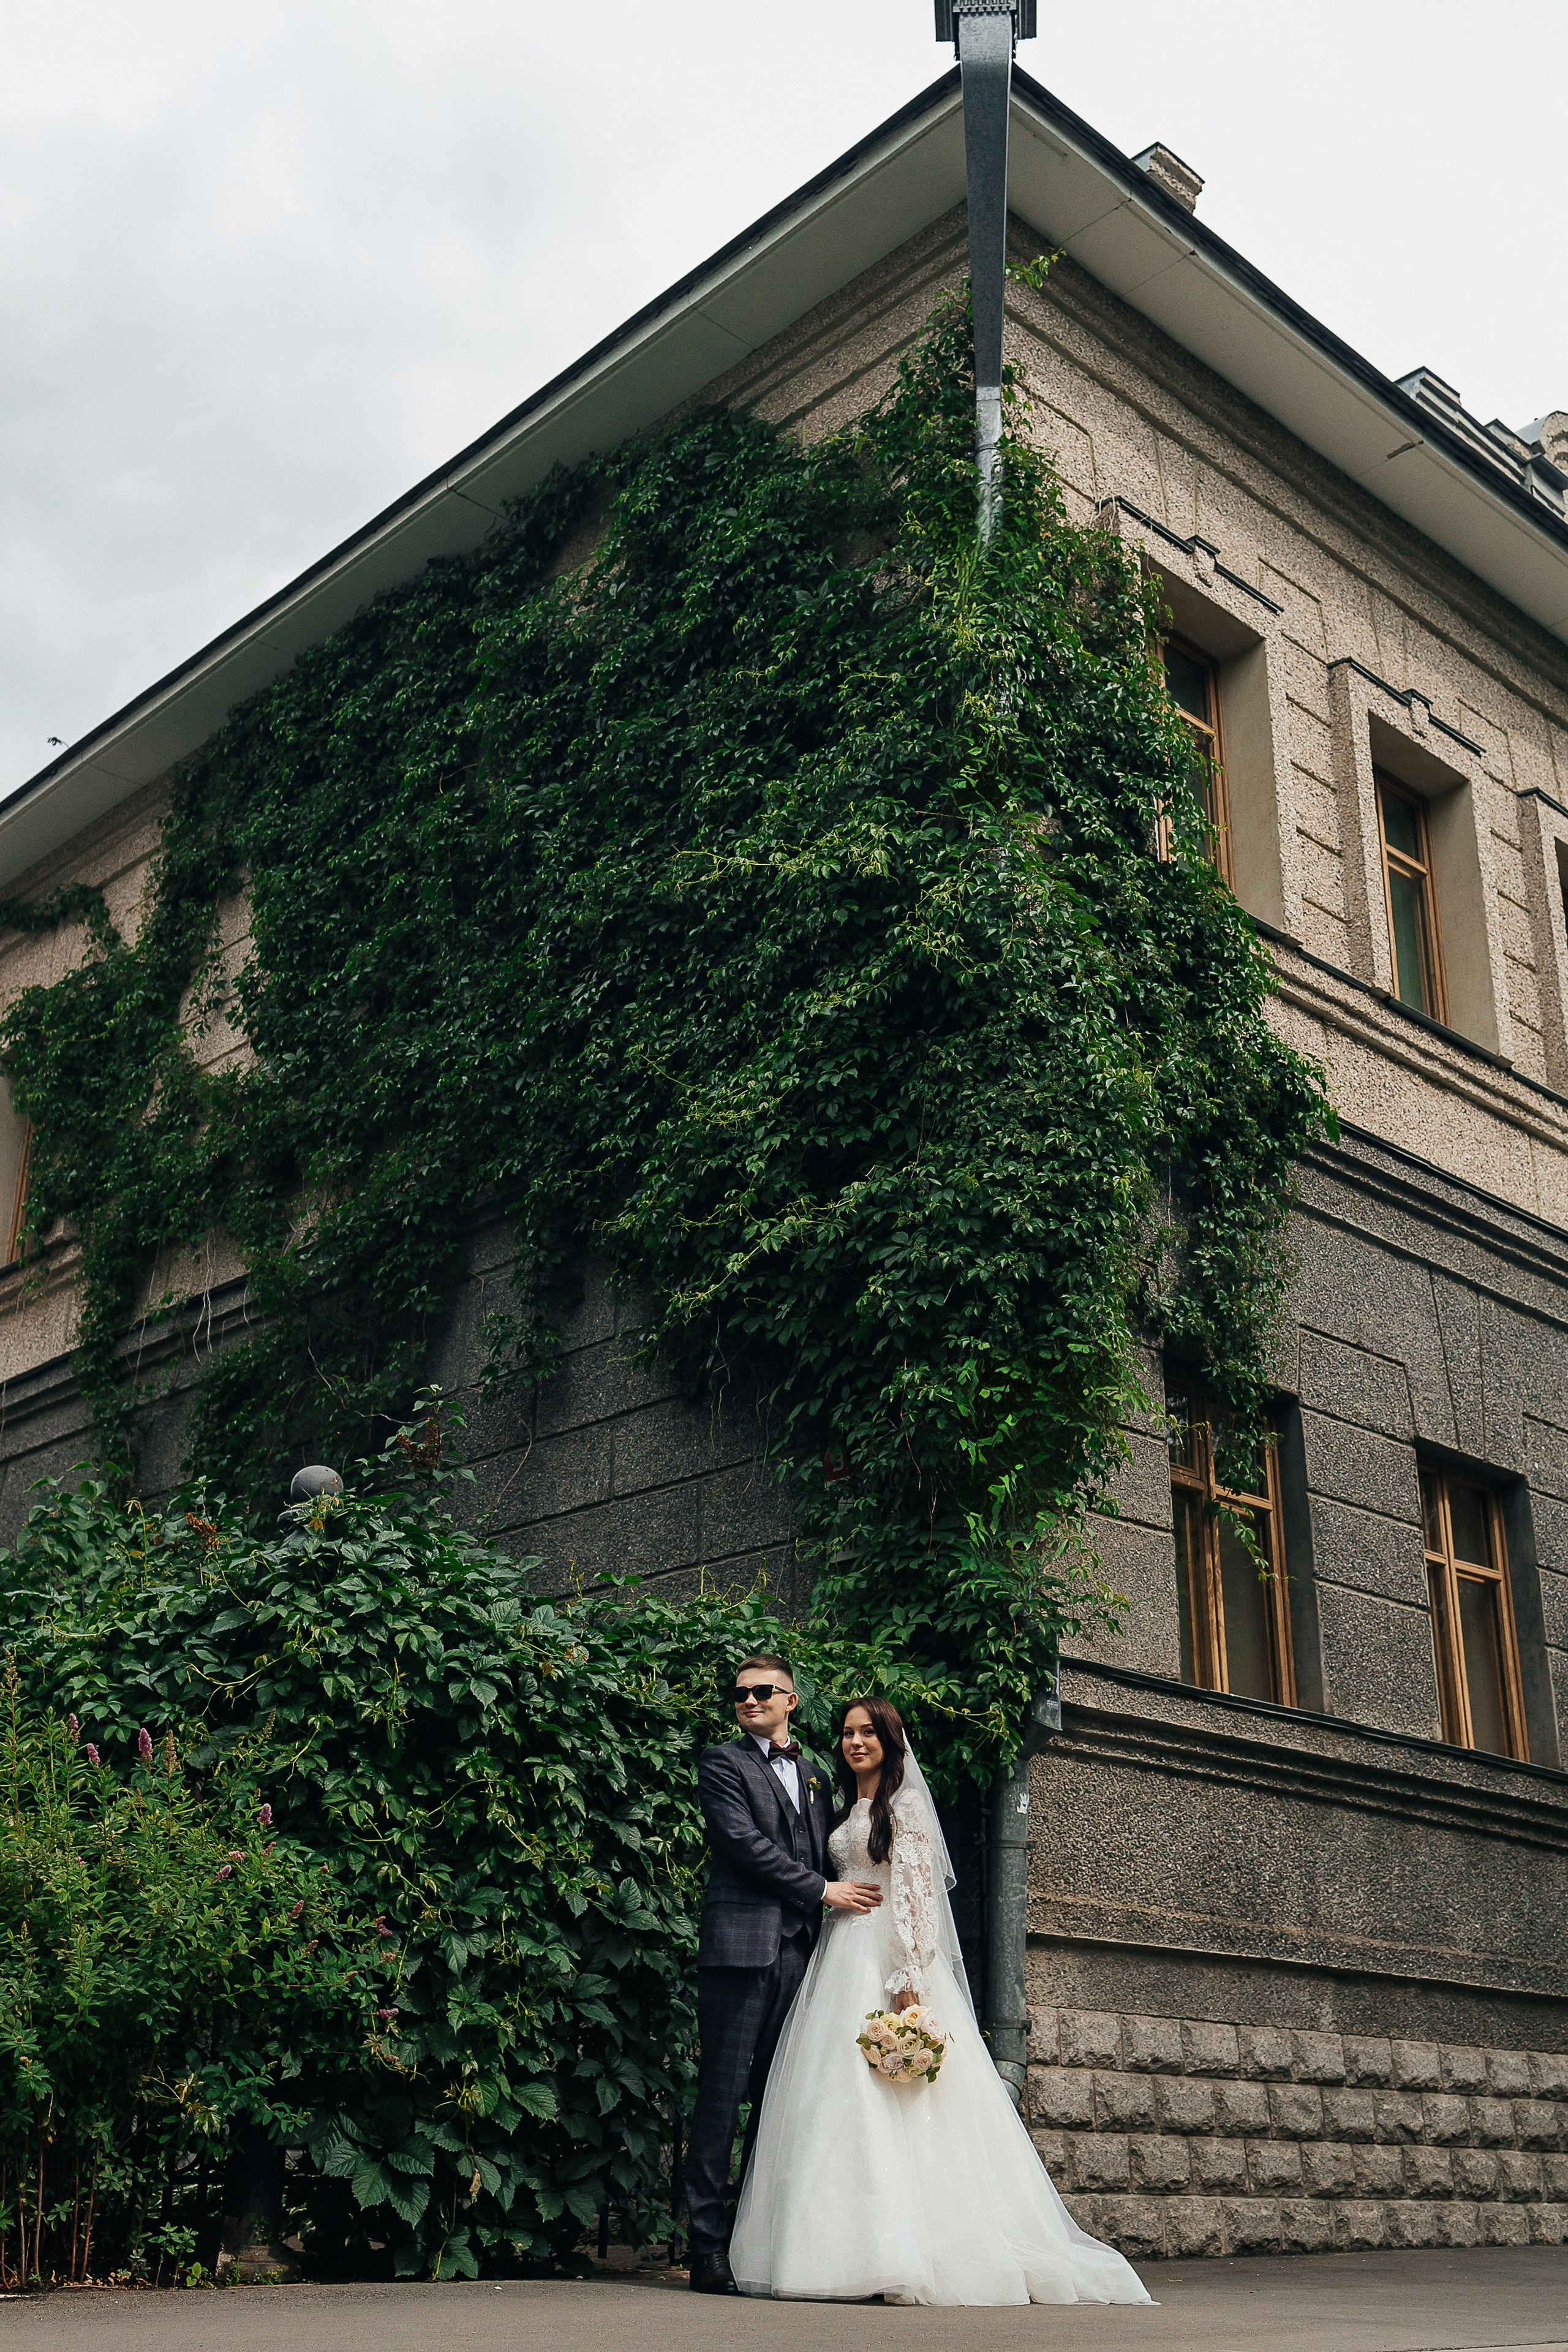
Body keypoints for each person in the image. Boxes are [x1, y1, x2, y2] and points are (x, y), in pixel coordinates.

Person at [727, 1695, 1156, 2308]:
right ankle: (842, 2248)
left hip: (883, 1965)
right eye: (847, 1733)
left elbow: (917, 1905)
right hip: (838, 1957)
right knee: (835, 2104)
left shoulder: (905, 1808)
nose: (855, 1743)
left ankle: (906, 2251)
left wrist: (906, 1996)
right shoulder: (850, 1805)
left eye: (868, 1732)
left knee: (897, 2106)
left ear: (890, 1741)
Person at [685, 1654, 886, 2296]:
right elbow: (742, 1844)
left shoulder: (815, 1774)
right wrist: (823, 1890)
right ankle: (707, 2250)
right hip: (739, 1949)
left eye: (763, 1691)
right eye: (739, 1692)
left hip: (803, 1957)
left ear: (791, 1700)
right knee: (720, 2100)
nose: (749, 1700)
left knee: (784, 2107)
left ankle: (759, 2241)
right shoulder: (722, 1762)